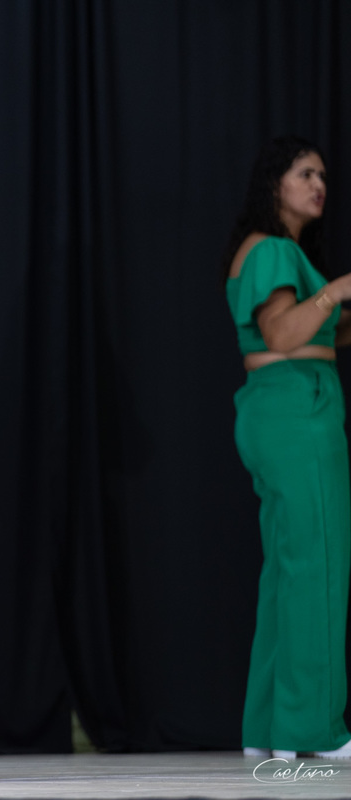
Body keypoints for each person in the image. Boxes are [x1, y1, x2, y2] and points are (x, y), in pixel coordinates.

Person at [224, 135, 351, 760]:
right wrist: (338, 289)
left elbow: (316, 330)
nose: (318, 184)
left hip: (276, 408)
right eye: (305, 174)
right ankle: (311, 732)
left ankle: (266, 730)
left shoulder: (275, 252)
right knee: (317, 566)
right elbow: (280, 331)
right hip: (296, 407)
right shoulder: (273, 249)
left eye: (323, 176)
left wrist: (334, 307)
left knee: (288, 571)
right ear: (274, 183)